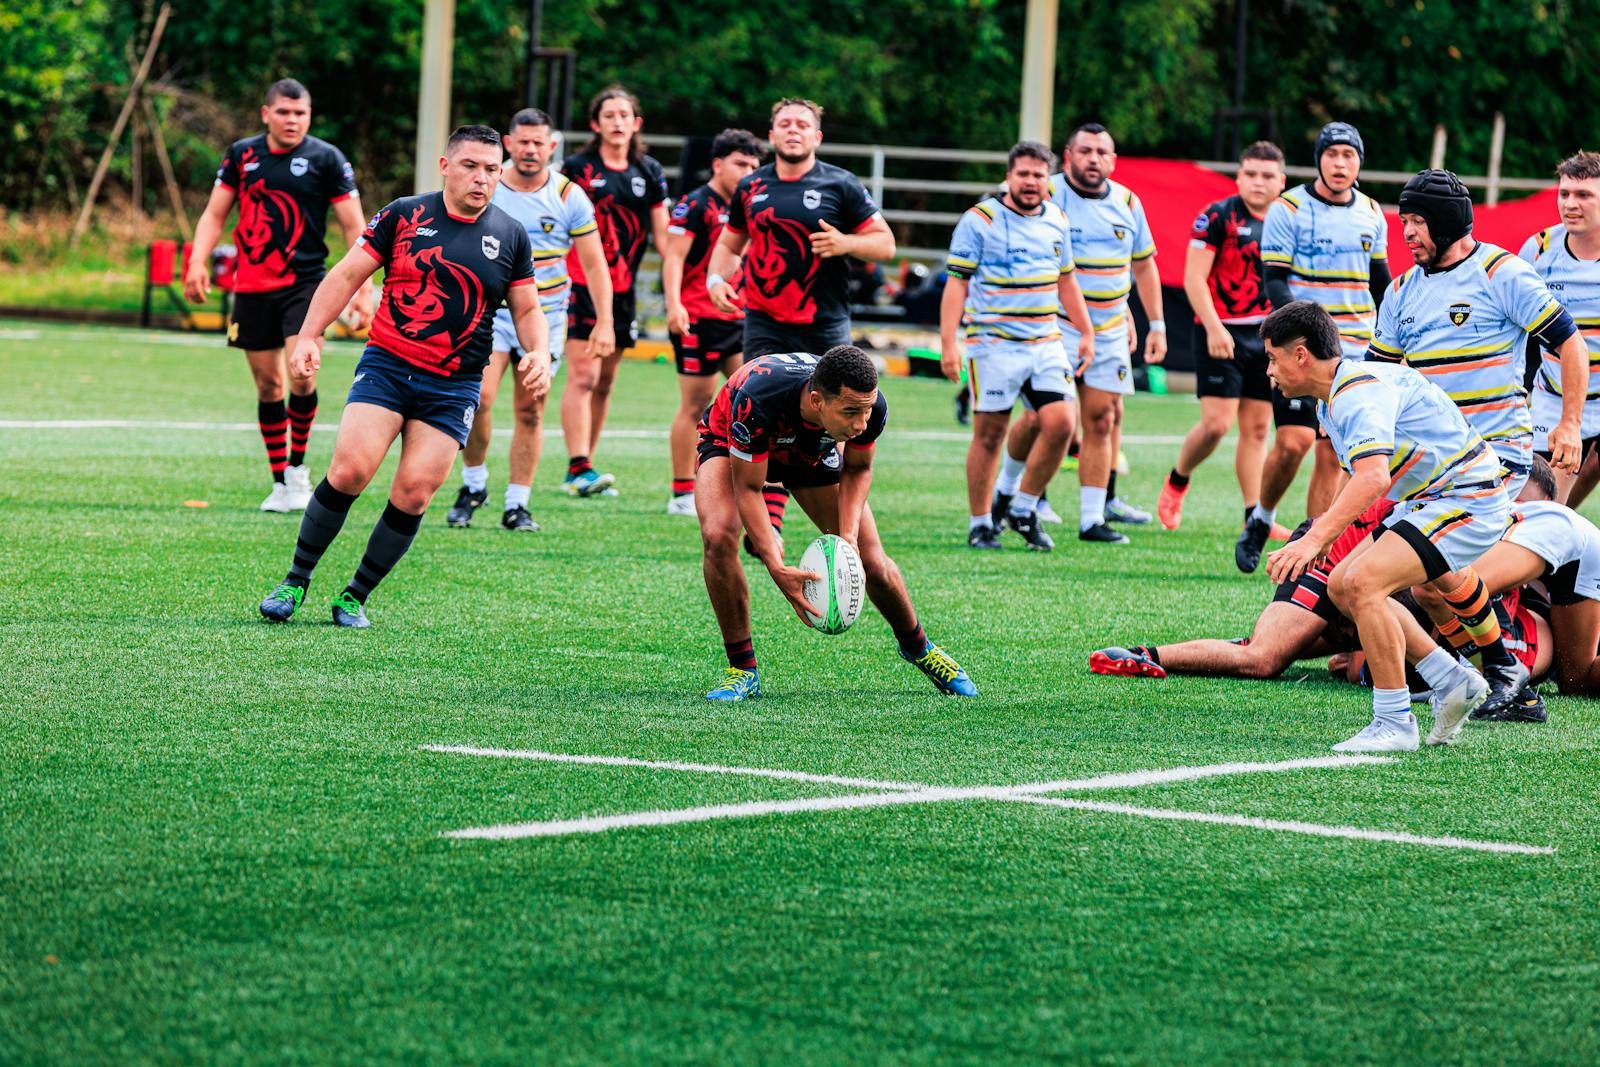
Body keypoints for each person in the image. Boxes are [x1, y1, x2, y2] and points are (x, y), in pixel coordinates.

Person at [257, 125, 549, 627]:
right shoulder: (404, 214)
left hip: (455, 383)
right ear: (445, 165)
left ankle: (355, 596)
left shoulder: (510, 235)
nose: (482, 179)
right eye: (471, 166)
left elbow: (526, 308)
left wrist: (539, 351)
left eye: (492, 170)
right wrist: (308, 334)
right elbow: (349, 273)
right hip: (389, 366)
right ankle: (295, 581)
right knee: (350, 471)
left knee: (414, 491)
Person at [1262, 301, 1513, 752]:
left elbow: (1374, 477)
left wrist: (1317, 537)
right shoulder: (1337, 398)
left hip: (1466, 497)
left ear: (1301, 355)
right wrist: (1326, 534)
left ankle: (1395, 722)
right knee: (1341, 586)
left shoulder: (1354, 393)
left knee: (1361, 583)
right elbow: (1364, 477)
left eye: (1273, 357)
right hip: (1434, 499)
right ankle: (1451, 679)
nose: (1269, 371)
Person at [694, 346, 976, 702]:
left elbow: (858, 468)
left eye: (867, 411)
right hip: (731, 439)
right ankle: (742, 670)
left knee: (872, 561)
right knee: (717, 537)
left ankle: (919, 648)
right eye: (850, 412)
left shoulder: (870, 410)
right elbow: (749, 488)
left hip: (812, 449)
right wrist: (776, 566)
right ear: (816, 401)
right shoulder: (758, 400)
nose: (860, 424)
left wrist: (848, 536)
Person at [707, 98, 897, 546]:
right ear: (771, 136)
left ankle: (846, 521)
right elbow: (731, 244)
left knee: (834, 417)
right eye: (784, 124)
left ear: (817, 137)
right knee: (766, 412)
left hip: (825, 323)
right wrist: (718, 277)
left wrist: (845, 242)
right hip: (766, 320)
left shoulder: (842, 184)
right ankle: (768, 521)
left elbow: (885, 245)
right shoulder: (751, 187)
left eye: (803, 124)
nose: (793, 130)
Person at [184, 78, 372, 513]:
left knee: (302, 375)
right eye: (284, 112)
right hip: (251, 287)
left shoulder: (327, 158)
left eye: (300, 113)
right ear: (266, 113)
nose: (293, 120)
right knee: (269, 386)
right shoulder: (242, 154)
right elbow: (215, 213)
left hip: (306, 284)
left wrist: (364, 287)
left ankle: (299, 471)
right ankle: (280, 482)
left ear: (309, 115)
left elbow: (354, 228)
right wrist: (197, 261)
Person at [443, 108, 612, 531]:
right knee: (478, 398)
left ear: (552, 146)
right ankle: (473, 485)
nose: (531, 149)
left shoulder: (569, 195)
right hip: (490, 312)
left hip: (547, 316)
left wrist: (604, 320)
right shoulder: (488, 185)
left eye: (540, 142)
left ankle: (517, 503)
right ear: (509, 143)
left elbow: (594, 266)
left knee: (531, 410)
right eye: (523, 141)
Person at [1239, 122, 1390, 571]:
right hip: (1302, 348)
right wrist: (1309, 331)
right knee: (1292, 443)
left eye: (1349, 155)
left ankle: (1312, 543)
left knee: (1332, 451)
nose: (1340, 163)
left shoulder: (1372, 210)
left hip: (1356, 352)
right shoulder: (1289, 208)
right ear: (1319, 159)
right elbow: (1274, 280)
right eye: (1332, 154)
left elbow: (1380, 283)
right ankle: (1261, 518)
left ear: (1359, 162)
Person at [1008, 122, 1165, 544]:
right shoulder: (1047, 194)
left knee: (1103, 417)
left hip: (1111, 326)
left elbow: (1144, 265)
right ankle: (1011, 492)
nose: (1094, 159)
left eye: (1102, 152)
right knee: (1044, 415)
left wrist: (1154, 322)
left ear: (1113, 160)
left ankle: (1091, 518)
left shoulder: (1129, 202)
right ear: (1069, 154)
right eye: (1085, 151)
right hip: (1054, 323)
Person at [939, 141, 1095, 551]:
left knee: (1062, 423)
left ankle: (1023, 508)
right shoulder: (979, 220)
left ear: (1049, 180)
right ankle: (980, 522)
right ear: (1009, 176)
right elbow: (957, 284)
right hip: (993, 346)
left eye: (1039, 175)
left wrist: (1087, 331)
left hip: (1046, 341)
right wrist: (949, 344)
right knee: (989, 434)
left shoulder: (1057, 219)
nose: (1030, 182)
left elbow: (1066, 280)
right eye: (1023, 174)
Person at [1159, 142, 1313, 540]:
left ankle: (1254, 516)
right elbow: (1194, 278)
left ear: (1281, 181)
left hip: (1268, 334)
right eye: (1250, 174)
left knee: (1259, 429)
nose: (1258, 182)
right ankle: (1178, 479)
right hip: (1220, 329)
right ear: (1239, 176)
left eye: (1267, 176)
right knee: (1215, 425)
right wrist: (1213, 327)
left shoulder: (1292, 220)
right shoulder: (1217, 216)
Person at [559, 86, 669, 497]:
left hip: (623, 290)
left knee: (605, 381)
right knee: (584, 375)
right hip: (580, 283)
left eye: (625, 114)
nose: (617, 121)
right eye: (609, 115)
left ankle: (587, 462)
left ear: (636, 123)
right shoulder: (577, 167)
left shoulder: (649, 171)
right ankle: (578, 466)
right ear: (596, 124)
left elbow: (664, 234)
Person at [660, 129, 764, 517]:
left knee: (751, 400)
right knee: (696, 404)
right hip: (698, 318)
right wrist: (674, 305)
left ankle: (752, 487)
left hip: (740, 319)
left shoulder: (753, 204)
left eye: (754, 165)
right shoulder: (695, 204)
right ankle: (681, 491)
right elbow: (673, 259)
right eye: (741, 163)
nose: (749, 171)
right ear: (718, 164)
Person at [1519, 151, 1600, 504]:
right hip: (1555, 397)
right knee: (1537, 506)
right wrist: (1519, 388)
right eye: (1564, 193)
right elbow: (1517, 329)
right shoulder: (1538, 251)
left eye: (1584, 195)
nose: (1570, 204)